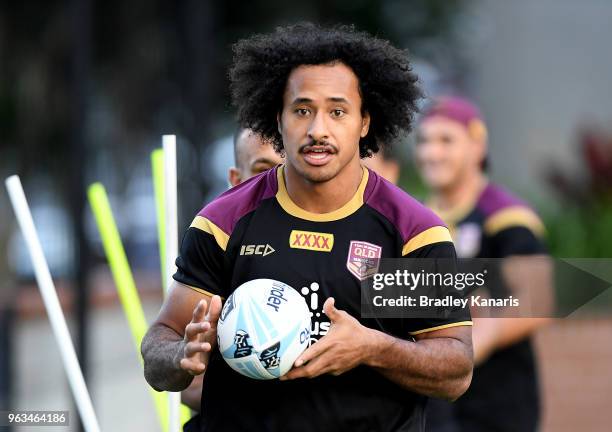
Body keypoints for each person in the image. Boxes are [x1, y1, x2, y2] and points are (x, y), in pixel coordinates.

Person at [141, 23, 473, 432]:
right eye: (302, 110)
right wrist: (180, 356)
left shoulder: (407, 232)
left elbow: (454, 372)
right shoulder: (225, 222)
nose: (318, 130)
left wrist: (374, 348)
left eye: (337, 111)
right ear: (276, 120)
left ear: (364, 122)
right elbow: (159, 346)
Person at [415, 96, 550, 432]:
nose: (431, 153)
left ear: (477, 145)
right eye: (425, 141)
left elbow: (538, 300)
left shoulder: (506, 216)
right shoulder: (416, 220)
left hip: (497, 407)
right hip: (435, 405)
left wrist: (474, 341)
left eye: (446, 140)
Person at [180, 128, 284, 429]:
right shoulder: (212, 243)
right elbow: (184, 381)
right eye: (264, 170)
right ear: (235, 179)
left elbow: (422, 351)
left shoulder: (383, 236)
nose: (279, 182)